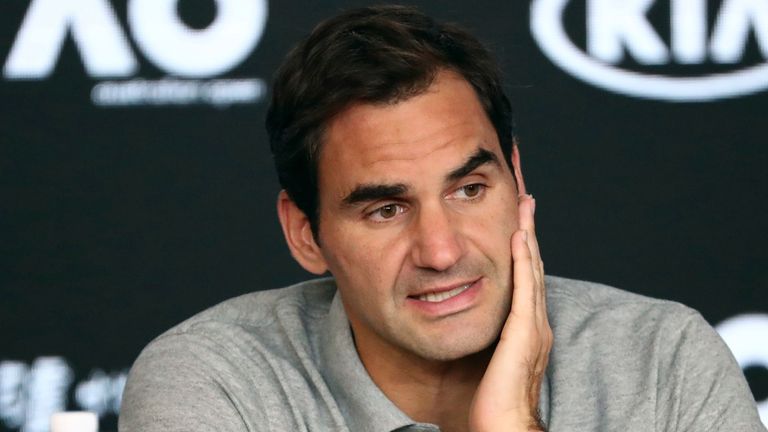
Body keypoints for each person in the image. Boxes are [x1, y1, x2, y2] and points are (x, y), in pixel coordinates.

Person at [118, 5, 765, 432]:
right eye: (386, 209)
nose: (440, 250)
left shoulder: (662, 363)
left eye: (469, 189)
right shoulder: (213, 383)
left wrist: (514, 422)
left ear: (516, 179)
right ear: (305, 233)